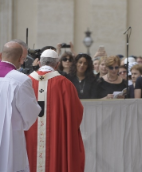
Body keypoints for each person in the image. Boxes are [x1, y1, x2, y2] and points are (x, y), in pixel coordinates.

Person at [25, 49, 85, 172]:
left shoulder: (26, 82)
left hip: (29, 136)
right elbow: (76, 114)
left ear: (40, 63)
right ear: (57, 64)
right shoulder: (65, 84)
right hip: (56, 138)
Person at [0, 41, 41, 172]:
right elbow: (30, 113)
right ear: (20, 59)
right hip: (9, 136)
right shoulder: (21, 80)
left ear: (1, 55)